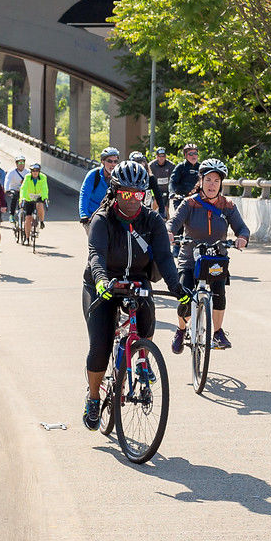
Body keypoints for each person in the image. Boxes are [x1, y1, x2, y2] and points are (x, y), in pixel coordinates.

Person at [82, 161, 188, 428]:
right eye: (126, 193)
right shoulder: (102, 219)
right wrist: (101, 281)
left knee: (146, 322)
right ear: (115, 192)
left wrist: (177, 288)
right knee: (100, 346)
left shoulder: (152, 220)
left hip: (137, 280)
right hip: (103, 282)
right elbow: (96, 256)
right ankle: (93, 397)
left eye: (138, 194)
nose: (132, 199)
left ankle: (142, 357)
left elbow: (164, 258)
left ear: (145, 194)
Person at [169, 158, 249, 352]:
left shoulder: (227, 205)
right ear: (201, 181)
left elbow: (242, 228)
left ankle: (218, 332)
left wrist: (242, 238)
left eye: (216, 181)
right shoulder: (189, 203)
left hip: (216, 258)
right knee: (185, 298)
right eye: (208, 180)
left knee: (219, 293)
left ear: (221, 183)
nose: (212, 185)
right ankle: (181, 330)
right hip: (190, 258)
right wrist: (169, 232)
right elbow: (173, 223)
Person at [79, 146, 121, 233]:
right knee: (97, 240)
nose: (113, 164)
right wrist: (84, 215)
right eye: (109, 161)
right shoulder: (94, 175)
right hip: (92, 216)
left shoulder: (119, 176)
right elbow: (84, 195)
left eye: (115, 161)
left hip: (111, 216)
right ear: (102, 161)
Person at [20, 161, 50, 239]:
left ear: (39, 171)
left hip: (39, 197)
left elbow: (44, 188)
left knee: (40, 205)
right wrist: (23, 198)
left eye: (37, 171)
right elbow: (23, 188)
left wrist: (45, 198)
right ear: (31, 171)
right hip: (29, 198)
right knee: (28, 218)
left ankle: (42, 221)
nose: (35, 172)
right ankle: (27, 238)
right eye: (33, 171)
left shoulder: (43, 177)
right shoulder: (27, 177)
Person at [149, 147, 175, 217]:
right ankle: (152, 218)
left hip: (166, 189)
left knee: (166, 209)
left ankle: (167, 222)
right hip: (155, 189)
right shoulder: (151, 165)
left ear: (165, 156)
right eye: (159, 156)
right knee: (155, 205)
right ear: (156, 157)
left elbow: (174, 178)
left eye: (163, 156)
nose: (161, 158)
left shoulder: (171, 165)